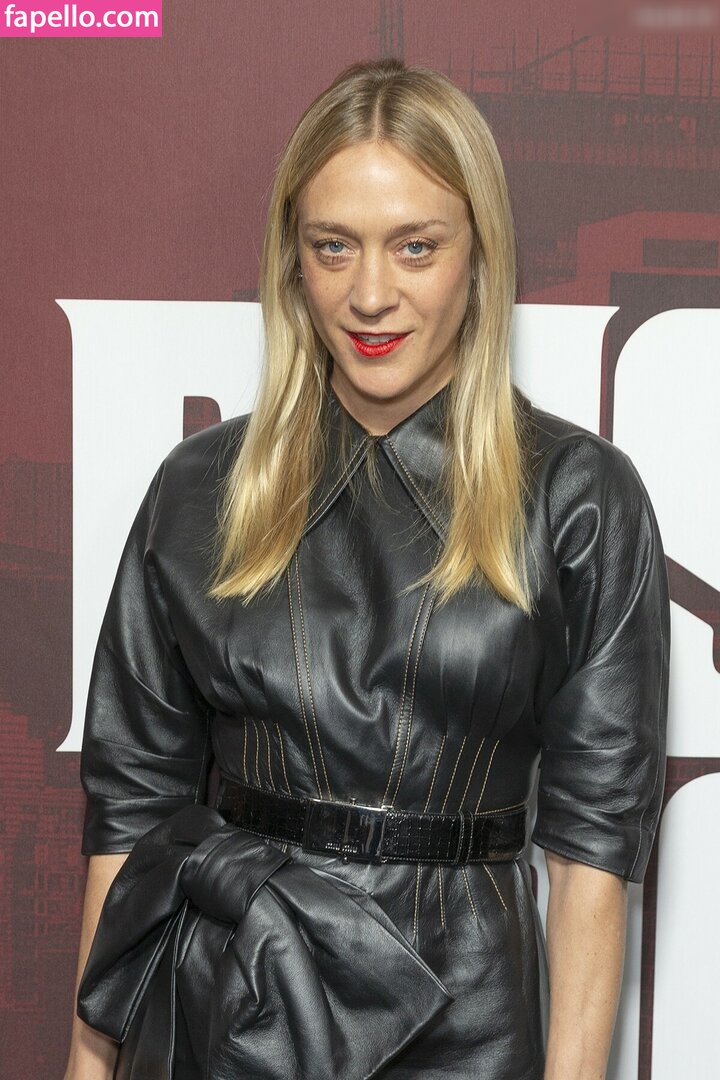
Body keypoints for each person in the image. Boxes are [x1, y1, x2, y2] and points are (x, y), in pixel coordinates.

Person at [64, 59, 669, 1080]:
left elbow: (591, 858)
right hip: (230, 1004)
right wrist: (87, 1067)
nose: (371, 294)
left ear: (480, 255)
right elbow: (131, 813)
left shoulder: (579, 496)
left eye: (416, 246)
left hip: (468, 1014)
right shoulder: (198, 489)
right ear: (293, 261)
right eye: (333, 246)